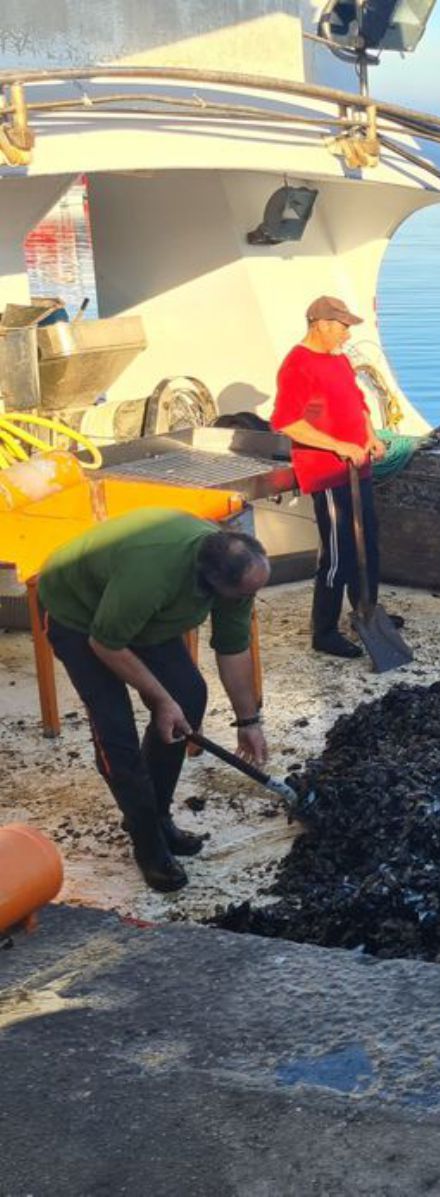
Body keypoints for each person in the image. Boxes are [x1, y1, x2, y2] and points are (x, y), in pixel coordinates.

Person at [38, 510, 271, 892]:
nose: (251, 599)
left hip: (140, 617)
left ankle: (155, 815)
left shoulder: (239, 574)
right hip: (79, 615)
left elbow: (233, 648)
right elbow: (106, 643)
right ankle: (147, 846)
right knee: (116, 731)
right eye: (245, 594)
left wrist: (249, 721)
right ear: (211, 582)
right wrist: (161, 700)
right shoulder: (153, 575)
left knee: (190, 696)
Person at [270, 295, 390, 658]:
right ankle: (323, 631)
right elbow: (288, 422)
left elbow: (359, 403)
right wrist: (338, 445)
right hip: (329, 474)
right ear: (320, 324)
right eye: (342, 327)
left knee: (367, 542)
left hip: (358, 467)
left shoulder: (338, 361)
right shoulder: (298, 364)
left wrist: (369, 435)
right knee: (339, 554)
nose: (346, 334)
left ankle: (367, 610)